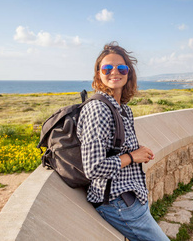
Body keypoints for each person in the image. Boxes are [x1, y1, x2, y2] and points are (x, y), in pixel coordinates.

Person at [77, 42, 170, 241]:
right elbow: (93, 168)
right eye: (107, 68)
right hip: (116, 203)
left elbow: (116, 147)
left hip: (131, 197)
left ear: (129, 73)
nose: (114, 72)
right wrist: (131, 156)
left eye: (121, 68)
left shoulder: (123, 108)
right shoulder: (98, 109)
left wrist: (138, 151)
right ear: (98, 73)